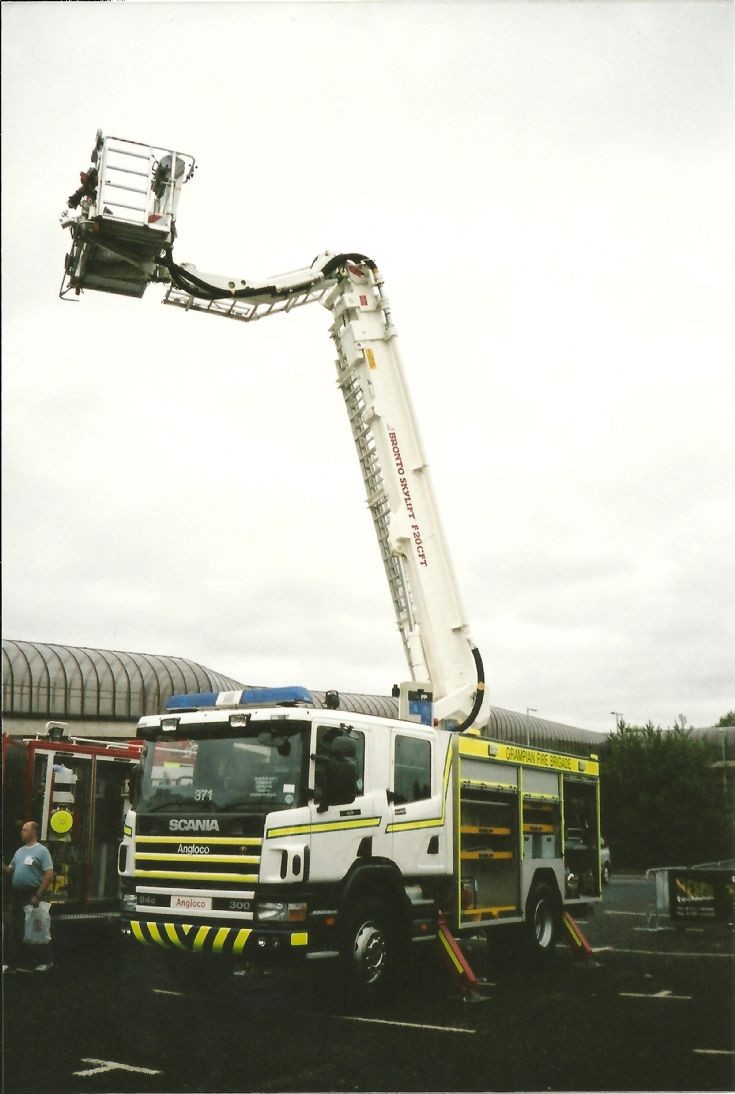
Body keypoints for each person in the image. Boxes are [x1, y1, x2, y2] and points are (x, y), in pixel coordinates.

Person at [3, 820, 54, 972]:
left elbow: (49, 874)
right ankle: (19, 962)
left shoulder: (42, 851)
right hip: (18, 896)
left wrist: (38, 895)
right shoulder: (19, 851)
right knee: (17, 929)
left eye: (25, 830)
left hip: (33, 896)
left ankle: (45, 960)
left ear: (33, 832)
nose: (21, 832)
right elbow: (10, 870)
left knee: (37, 929)